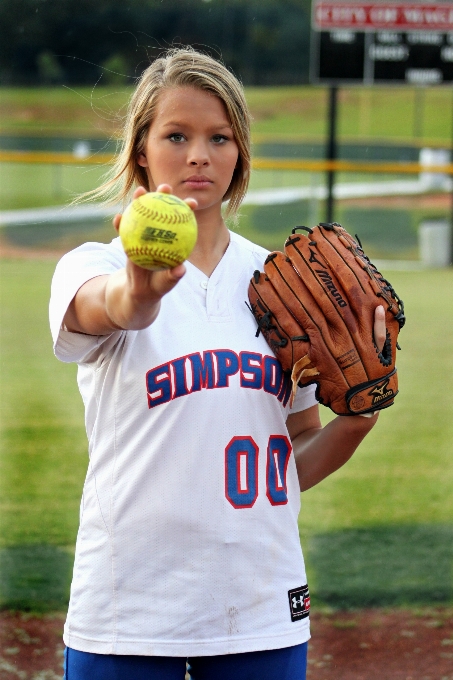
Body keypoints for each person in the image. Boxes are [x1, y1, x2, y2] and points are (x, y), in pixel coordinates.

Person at [50, 47, 385, 680]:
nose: (199, 154)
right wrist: (140, 288)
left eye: (219, 137)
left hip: (258, 603)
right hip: (129, 610)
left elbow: (294, 452)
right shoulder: (93, 266)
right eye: (176, 135)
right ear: (142, 151)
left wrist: (358, 420)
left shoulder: (282, 286)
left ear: (239, 154)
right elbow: (110, 308)